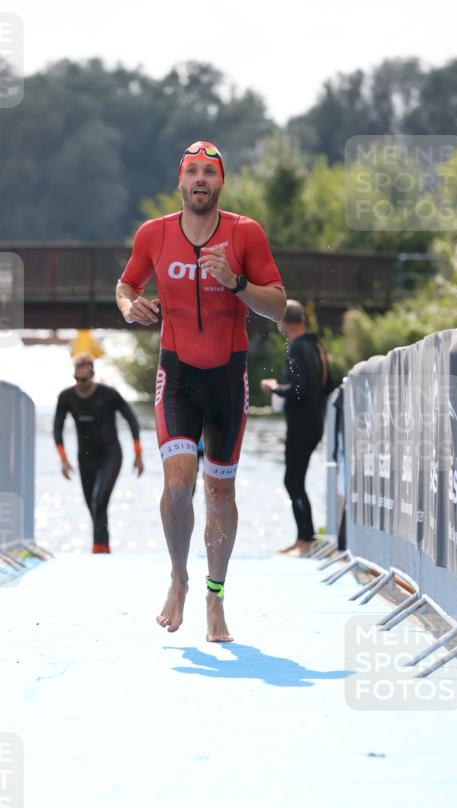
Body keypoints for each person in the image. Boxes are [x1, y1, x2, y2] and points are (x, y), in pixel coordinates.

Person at [116, 140, 286, 641]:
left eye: (209, 173)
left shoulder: (244, 233)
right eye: (191, 172)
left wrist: (235, 283)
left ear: (221, 183)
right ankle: (178, 577)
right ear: (180, 181)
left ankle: (216, 595)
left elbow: (278, 307)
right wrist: (128, 307)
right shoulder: (154, 234)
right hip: (178, 376)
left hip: (228, 378)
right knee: (176, 487)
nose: (199, 180)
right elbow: (126, 286)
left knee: (219, 493)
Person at [260, 299, 332, 556]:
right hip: (315, 421)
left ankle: (306, 539)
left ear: (282, 322)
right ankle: (305, 537)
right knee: (296, 479)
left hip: (302, 424)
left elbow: (298, 389)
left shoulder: (297, 349)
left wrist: (274, 387)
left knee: (293, 480)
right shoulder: (315, 345)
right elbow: (326, 384)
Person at [53, 354, 144, 553]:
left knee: (99, 500)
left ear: (92, 375)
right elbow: (57, 430)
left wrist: (138, 454)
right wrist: (63, 460)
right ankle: (104, 548)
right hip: (85, 459)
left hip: (110, 455)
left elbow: (132, 420)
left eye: (84, 380)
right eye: (77, 379)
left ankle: (98, 552)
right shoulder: (66, 397)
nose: (81, 384)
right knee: (93, 507)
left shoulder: (108, 394)